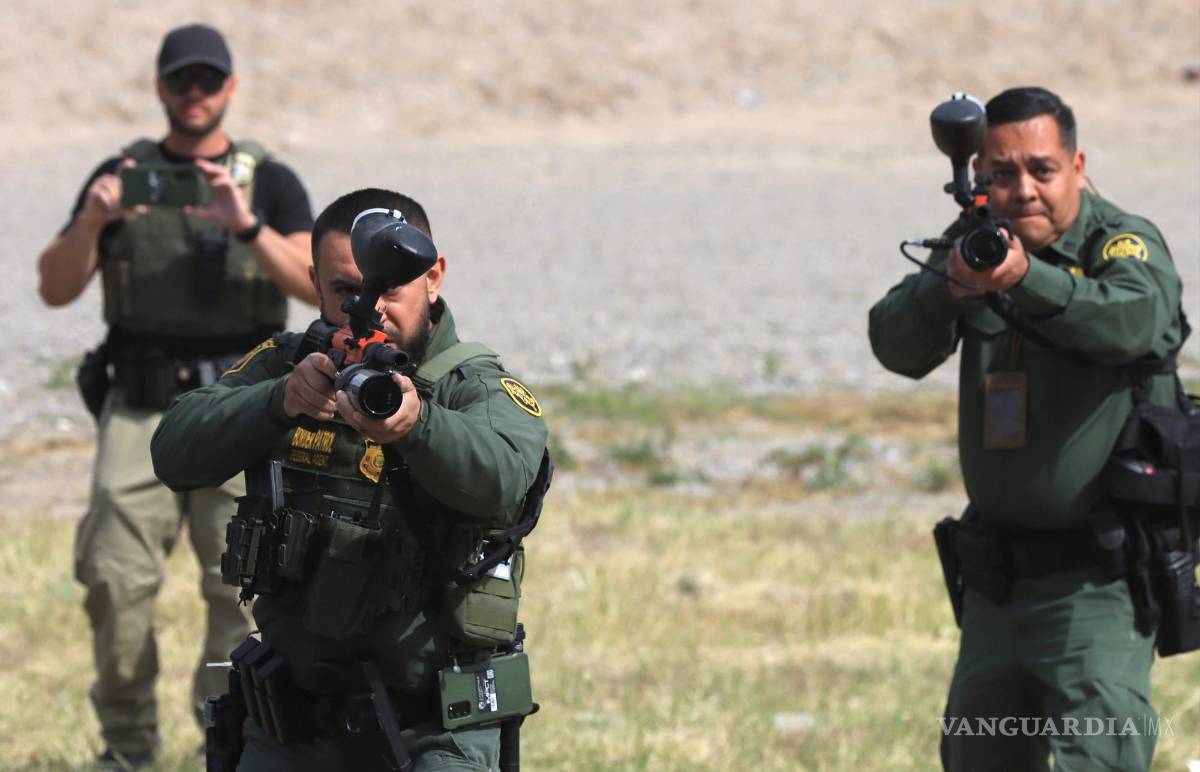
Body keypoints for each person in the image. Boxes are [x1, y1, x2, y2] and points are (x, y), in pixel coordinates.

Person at [150, 188, 550, 771]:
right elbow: (174, 451)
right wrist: (278, 401)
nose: (372, 308)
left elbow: (505, 481)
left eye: (390, 288)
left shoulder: (473, 387)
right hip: (293, 720)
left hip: (433, 724)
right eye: (347, 291)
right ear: (315, 283)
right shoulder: (287, 363)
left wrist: (418, 426)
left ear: (433, 277)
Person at [869, 86, 1186, 771]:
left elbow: (1135, 321)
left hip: (1095, 585)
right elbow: (894, 345)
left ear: (1077, 165)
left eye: (1041, 170)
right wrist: (950, 287)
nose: (1024, 190)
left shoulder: (1120, 243)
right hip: (998, 584)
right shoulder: (976, 245)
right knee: (982, 757)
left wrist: (1025, 282)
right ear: (978, 175)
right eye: (1002, 174)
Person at [35, 23, 315, 768]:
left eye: (208, 80)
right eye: (181, 80)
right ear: (160, 88)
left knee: (242, 589)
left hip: (240, 404)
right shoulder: (122, 173)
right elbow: (55, 287)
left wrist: (246, 224)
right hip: (140, 403)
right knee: (115, 580)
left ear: (230, 89)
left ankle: (228, 744)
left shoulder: (269, 181)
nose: (195, 93)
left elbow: (320, 285)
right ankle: (126, 747)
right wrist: (95, 221)